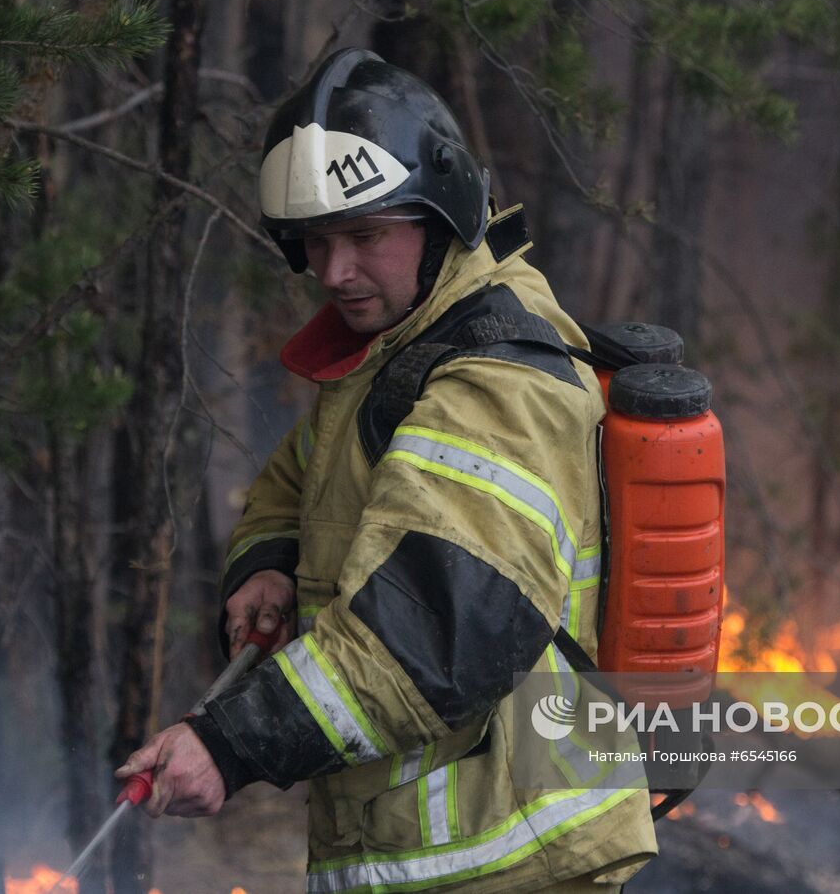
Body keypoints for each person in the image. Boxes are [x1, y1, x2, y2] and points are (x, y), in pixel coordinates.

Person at [117, 48, 657, 892]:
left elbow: (431, 632)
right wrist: (265, 563)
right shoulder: (398, 354)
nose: (334, 272)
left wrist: (231, 741)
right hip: (430, 857)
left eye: (366, 235)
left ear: (440, 217)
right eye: (318, 242)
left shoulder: (497, 383)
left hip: (510, 858)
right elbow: (302, 478)